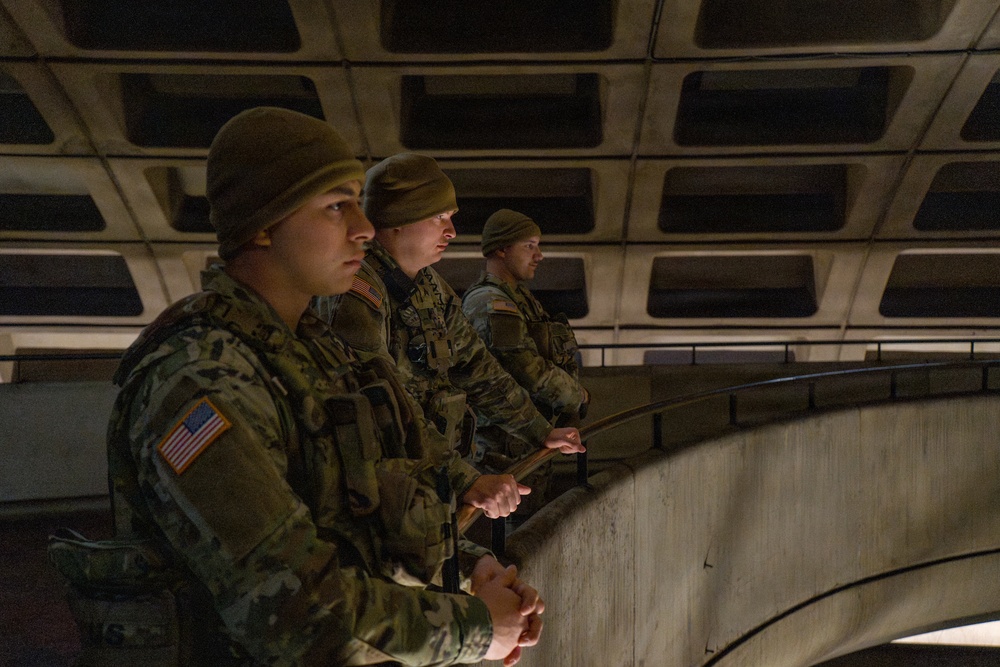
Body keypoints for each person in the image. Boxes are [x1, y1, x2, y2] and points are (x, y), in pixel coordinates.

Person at [89, 108, 543, 666]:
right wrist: (476, 629)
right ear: (262, 224)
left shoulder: (311, 352)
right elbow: (291, 611)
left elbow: (355, 516)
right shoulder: (198, 381)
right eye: (335, 206)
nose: (365, 227)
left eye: (357, 201)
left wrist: (471, 566)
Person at [313, 154, 585, 512]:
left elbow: (476, 366)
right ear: (398, 222)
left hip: (426, 478)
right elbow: (387, 411)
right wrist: (466, 479)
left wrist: (538, 430)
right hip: (383, 491)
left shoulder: (430, 285)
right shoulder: (355, 293)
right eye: (439, 217)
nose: (451, 232)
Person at [461, 209, 590, 513]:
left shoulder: (521, 300)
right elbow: (527, 368)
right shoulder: (491, 303)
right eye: (529, 246)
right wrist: (577, 396)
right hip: (500, 453)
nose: (539, 255)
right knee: (510, 537)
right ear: (502, 249)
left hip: (522, 445)